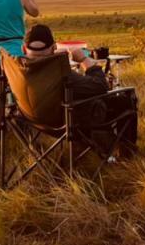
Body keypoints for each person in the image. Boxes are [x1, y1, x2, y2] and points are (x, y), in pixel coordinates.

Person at [22, 24, 137, 158]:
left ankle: (99, 148)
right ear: (53, 48)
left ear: (24, 48)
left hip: (32, 119)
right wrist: (84, 59)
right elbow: (100, 86)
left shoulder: (17, 70)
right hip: (68, 122)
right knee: (124, 99)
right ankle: (126, 155)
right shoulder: (58, 71)